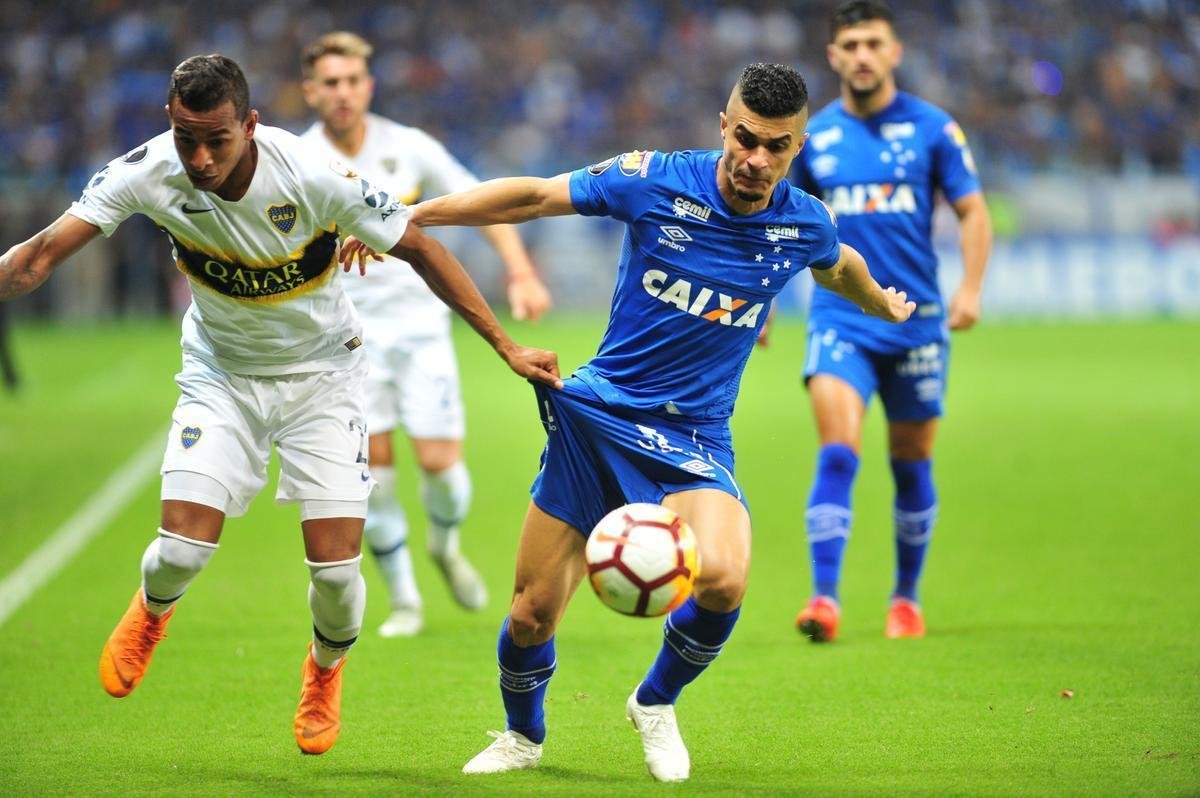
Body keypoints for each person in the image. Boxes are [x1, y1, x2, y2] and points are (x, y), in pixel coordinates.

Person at [344, 62, 914, 782]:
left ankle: (654, 702)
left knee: (725, 581)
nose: (756, 159)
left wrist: (879, 304)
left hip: (692, 437)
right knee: (529, 617)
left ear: (797, 148)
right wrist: (413, 216)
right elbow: (534, 195)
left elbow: (839, 267)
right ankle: (523, 737)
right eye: (745, 138)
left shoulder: (802, 222)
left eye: (776, 146)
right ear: (723, 126)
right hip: (599, 414)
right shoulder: (654, 177)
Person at [0, 54, 559, 755]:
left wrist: (506, 346)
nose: (199, 158)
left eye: (217, 140)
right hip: (221, 378)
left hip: (324, 380)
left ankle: (324, 672)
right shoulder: (145, 171)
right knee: (177, 552)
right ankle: (151, 612)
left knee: (335, 576)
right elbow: (37, 257)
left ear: (251, 125)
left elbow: (420, 248)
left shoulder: (312, 175)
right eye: (185, 138)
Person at [298, 32, 553, 638]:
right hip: (347, 340)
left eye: (353, 80)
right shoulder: (297, 160)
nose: (343, 92)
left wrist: (519, 269)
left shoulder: (409, 148)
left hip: (421, 331)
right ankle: (406, 598)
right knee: (375, 473)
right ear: (310, 91)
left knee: (439, 465)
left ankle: (443, 546)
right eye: (330, 82)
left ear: (369, 84)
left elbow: (480, 202)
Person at [791, 0, 992, 642]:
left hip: (918, 322)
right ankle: (824, 598)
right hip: (840, 316)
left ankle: (905, 598)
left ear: (894, 51)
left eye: (873, 43)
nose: (861, 55)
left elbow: (974, 213)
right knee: (838, 451)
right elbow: (774, 227)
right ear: (833, 57)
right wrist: (758, 303)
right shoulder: (813, 137)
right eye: (849, 45)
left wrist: (972, 288)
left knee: (910, 465)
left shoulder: (934, 130)